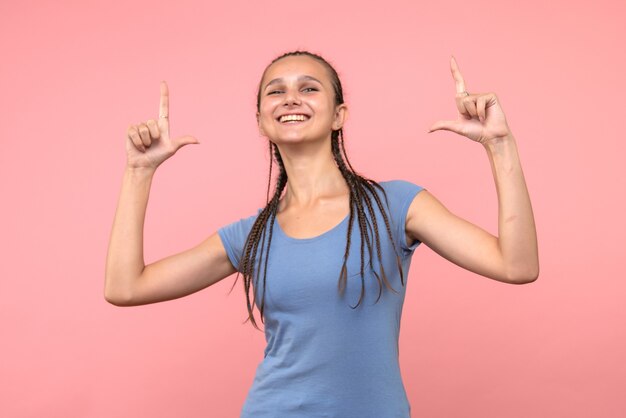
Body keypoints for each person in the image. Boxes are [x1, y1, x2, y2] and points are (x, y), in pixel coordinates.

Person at [105, 50, 539, 417]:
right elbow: (126, 287)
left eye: (309, 88)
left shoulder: (395, 206)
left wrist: (500, 145)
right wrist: (138, 172)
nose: (290, 97)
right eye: (275, 90)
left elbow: (516, 265)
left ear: (339, 115)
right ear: (260, 121)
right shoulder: (252, 235)